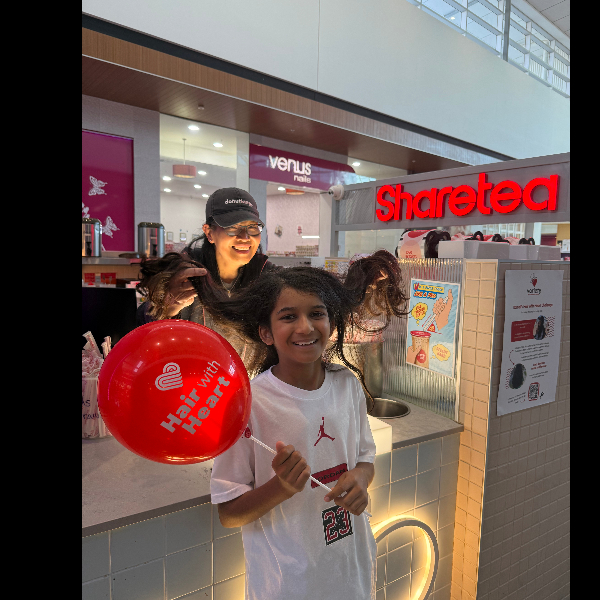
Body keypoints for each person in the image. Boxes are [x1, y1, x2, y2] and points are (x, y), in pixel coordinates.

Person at [199, 253, 407, 600]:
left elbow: (364, 458)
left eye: (316, 314)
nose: (306, 327)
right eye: (288, 316)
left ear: (332, 322)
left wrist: (360, 478)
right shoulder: (247, 405)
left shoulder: (347, 384)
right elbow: (229, 513)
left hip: (351, 567)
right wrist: (280, 487)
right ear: (266, 332)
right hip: (288, 584)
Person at [136, 187, 276, 325]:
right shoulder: (186, 275)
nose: (245, 237)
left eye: (252, 227)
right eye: (233, 227)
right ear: (209, 233)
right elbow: (143, 321)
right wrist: (168, 307)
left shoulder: (268, 275)